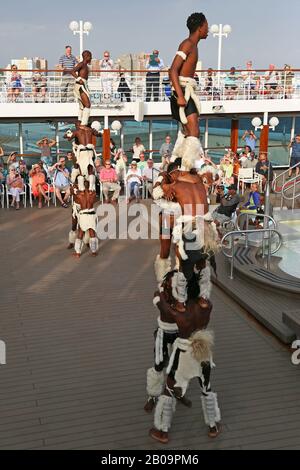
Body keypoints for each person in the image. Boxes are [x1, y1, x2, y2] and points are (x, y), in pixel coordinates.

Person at [149, 270, 221, 443]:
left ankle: (163, 432)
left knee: (169, 389)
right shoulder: (208, 306)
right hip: (203, 353)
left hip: (183, 354)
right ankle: (213, 426)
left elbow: (160, 302)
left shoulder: (179, 313)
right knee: (207, 388)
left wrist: (160, 291)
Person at [144, 271, 192, 413]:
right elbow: (166, 310)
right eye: (174, 284)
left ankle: (175, 390)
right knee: (159, 364)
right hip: (163, 333)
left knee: (178, 366)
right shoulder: (159, 295)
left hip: (179, 334)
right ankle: (152, 396)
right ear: (167, 284)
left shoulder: (184, 297)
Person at [169, 12, 208, 170]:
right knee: (194, 131)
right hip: (182, 91)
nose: (208, 30)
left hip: (186, 90)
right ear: (200, 28)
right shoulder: (188, 44)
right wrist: (179, 96)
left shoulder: (193, 45)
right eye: (206, 26)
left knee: (187, 132)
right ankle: (185, 167)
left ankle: (177, 162)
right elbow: (172, 70)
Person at [73, 180, 98, 258]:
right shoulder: (93, 193)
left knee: (81, 233)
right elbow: (94, 199)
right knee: (92, 233)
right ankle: (94, 251)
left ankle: (78, 253)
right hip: (91, 214)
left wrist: (75, 187)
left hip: (83, 215)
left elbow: (74, 194)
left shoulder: (79, 194)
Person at [71, 50, 92, 128]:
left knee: (83, 106)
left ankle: (80, 121)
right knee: (87, 105)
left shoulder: (86, 66)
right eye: (90, 56)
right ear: (86, 57)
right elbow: (72, 71)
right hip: (80, 85)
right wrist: (78, 78)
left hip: (84, 84)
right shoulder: (82, 64)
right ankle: (83, 124)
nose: (91, 58)